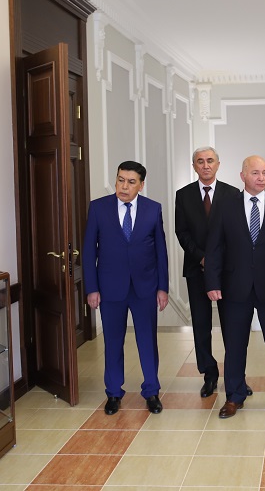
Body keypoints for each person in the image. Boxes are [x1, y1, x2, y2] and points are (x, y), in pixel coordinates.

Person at [205, 155, 265, 419]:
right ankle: (234, 396)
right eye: (255, 173)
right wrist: (212, 282)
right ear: (243, 176)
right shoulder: (225, 206)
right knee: (235, 345)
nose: (261, 178)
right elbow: (214, 248)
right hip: (234, 287)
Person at [82, 161, 169, 415]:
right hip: (110, 288)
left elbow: (160, 251)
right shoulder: (98, 208)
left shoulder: (153, 209)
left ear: (141, 185)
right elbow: (89, 251)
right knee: (112, 341)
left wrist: (162, 287)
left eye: (131, 182)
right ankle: (113, 392)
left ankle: (151, 391)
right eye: (120, 180)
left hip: (145, 287)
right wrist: (92, 288)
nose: (124, 186)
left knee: (147, 341)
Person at [174, 147, 241, 397]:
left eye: (210, 161)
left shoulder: (233, 194)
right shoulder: (183, 195)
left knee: (231, 325)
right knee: (201, 325)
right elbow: (182, 232)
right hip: (196, 267)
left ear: (218, 164)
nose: (205, 165)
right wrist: (202, 258)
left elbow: (237, 232)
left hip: (227, 270)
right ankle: (209, 374)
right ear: (194, 166)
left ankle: (236, 376)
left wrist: (216, 261)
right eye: (200, 161)